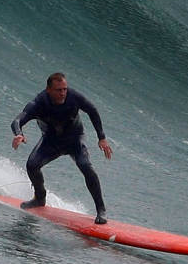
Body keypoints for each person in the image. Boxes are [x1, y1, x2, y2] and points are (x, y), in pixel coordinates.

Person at [11, 72, 113, 224]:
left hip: (74, 140)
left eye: (65, 89)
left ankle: (101, 210)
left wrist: (102, 137)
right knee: (32, 165)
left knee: (86, 166)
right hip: (51, 141)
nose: (63, 93)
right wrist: (19, 134)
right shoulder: (39, 103)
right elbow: (18, 120)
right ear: (48, 90)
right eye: (59, 90)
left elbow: (92, 110)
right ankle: (39, 199)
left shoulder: (74, 97)